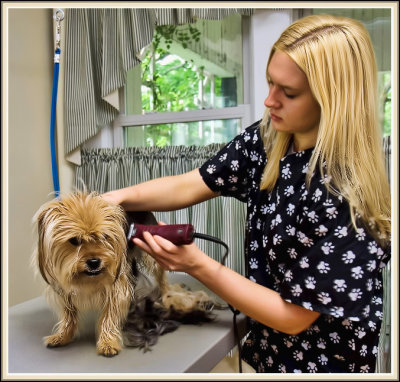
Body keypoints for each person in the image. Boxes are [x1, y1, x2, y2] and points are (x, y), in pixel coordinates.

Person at [102, 14, 391, 373]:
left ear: (334, 100)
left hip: (321, 364)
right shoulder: (271, 138)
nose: (270, 101)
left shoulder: (344, 194)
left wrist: (197, 265)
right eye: (270, 82)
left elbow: (294, 318)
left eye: (288, 92)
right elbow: (193, 183)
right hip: (264, 350)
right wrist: (112, 199)